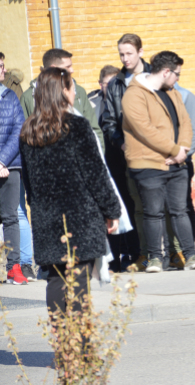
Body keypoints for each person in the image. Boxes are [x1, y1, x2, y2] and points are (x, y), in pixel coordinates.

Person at [19, 68, 120, 313]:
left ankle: (63, 346)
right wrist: (111, 210)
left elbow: (30, 183)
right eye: (71, 87)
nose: (75, 92)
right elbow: (95, 174)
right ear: (62, 91)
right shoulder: (76, 126)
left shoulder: (29, 131)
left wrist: (40, 208)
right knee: (78, 282)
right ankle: (80, 349)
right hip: (79, 217)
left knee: (55, 279)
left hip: (47, 218)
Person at [121, 51, 195, 272]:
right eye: (176, 74)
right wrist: (174, 149)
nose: (178, 78)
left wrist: (182, 150)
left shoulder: (173, 93)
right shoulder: (134, 95)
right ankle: (155, 259)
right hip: (148, 164)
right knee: (153, 212)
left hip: (177, 163)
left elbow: (185, 122)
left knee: (180, 210)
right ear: (166, 71)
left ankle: (191, 256)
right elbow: (144, 130)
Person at [100, 34, 150, 271]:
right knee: (133, 205)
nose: (125, 58)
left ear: (140, 51)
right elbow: (108, 121)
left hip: (155, 152)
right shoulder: (115, 84)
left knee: (158, 205)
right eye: (121, 54)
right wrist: (120, 143)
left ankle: (165, 253)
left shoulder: (154, 76)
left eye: (129, 53)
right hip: (127, 154)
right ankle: (138, 253)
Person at [20, 48, 104, 150]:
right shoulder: (29, 97)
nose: (72, 70)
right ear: (54, 68)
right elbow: (26, 135)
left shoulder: (79, 91)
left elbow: (94, 129)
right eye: (67, 67)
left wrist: (98, 154)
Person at [0, 52, 27, 285]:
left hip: (10, 167)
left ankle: (14, 267)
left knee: (11, 217)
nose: (2, 71)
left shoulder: (10, 97)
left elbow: (19, 129)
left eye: (2, 66)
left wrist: (2, 161)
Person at [173, 82, 195, 241]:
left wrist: (183, 154)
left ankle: (189, 246)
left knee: (184, 204)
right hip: (162, 161)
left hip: (183, 161)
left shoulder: (186, 96)